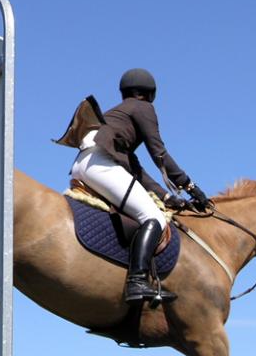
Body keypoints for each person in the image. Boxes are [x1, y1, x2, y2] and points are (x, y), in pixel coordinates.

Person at [66, 68, 209, 303]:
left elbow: (135, 169)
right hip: (101, 164)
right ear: (149, 93)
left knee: (151, 210)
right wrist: (190, 186)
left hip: (86, 163)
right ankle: (137, 282)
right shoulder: (143, 107)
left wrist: (167, 197)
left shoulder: (119, 115)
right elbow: (158, 151)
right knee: (154, 219)